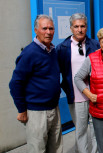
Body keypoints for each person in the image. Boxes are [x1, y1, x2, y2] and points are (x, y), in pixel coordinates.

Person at [9, 14, 62, 153]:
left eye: (51, 28)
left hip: (53, 108)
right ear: (36, 30)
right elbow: (15, 84)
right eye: (44, 28)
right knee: (38, 149)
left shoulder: (52, 51)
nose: (48, 32)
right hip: (36, 112)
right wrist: (21, 110)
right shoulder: (29, 53)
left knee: (56, 148)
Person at [56, 13, 99, 153]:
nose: (79, 29)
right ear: (71, 28)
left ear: (86, 27)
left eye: (82, 26)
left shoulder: (95, 44)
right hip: (76, 98)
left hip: (95, 96)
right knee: (80, 131)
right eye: (76, 26)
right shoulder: (62, 48)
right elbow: (57, 71)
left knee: (96, 130)